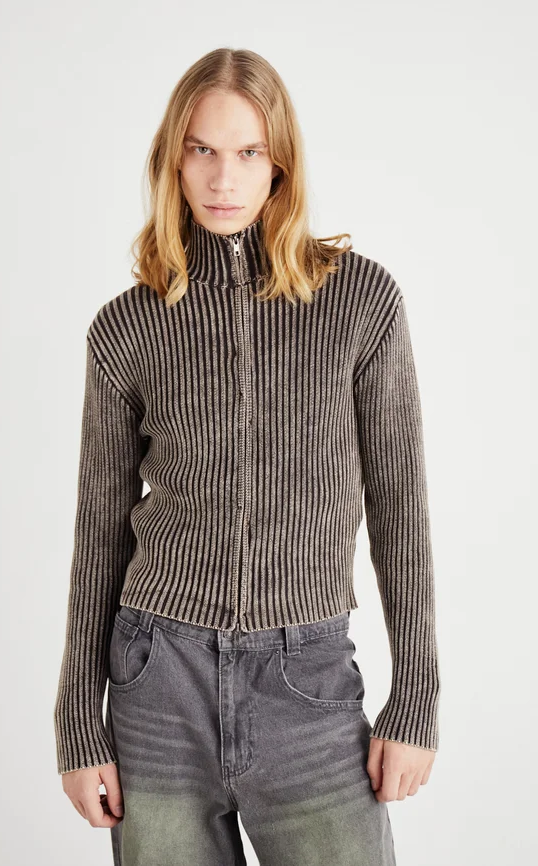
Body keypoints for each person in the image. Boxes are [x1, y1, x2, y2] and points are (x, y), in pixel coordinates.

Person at [54, 47, 440, 866]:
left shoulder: (360, 302)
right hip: (157, 684)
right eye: (201, 149)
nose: (223, 178)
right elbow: (100, 532)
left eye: (247, 152)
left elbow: (400, 506)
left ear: (280, 163)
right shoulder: (126, 328)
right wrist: (77, 719)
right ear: (173, 159)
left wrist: (418, 696)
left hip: (308, 681)